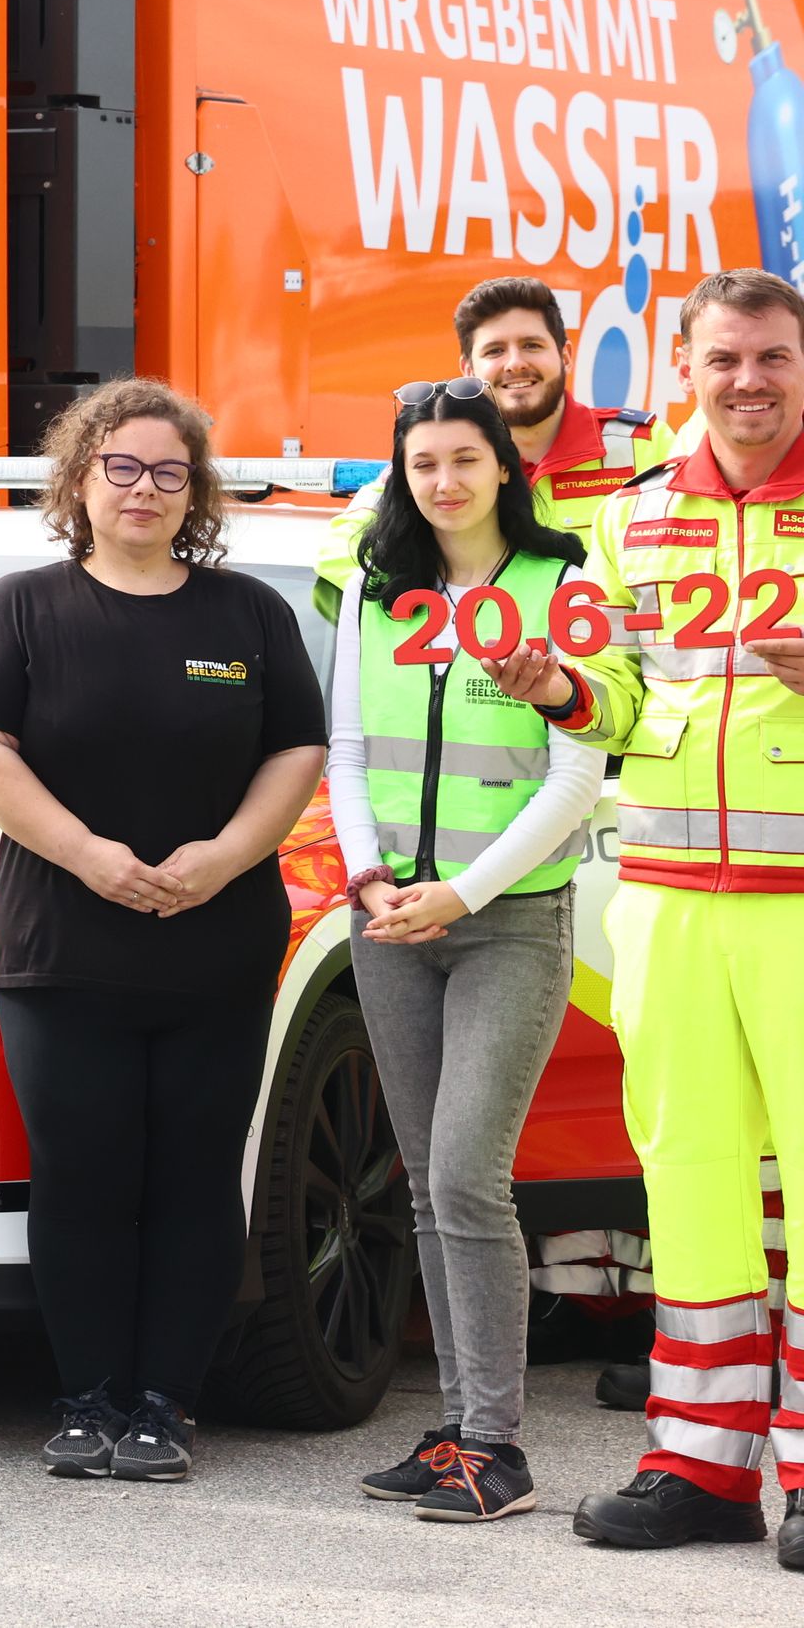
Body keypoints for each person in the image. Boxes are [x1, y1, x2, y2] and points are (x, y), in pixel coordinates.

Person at [0, 377, 325, 1484]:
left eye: (169, 472)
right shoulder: (20, 607)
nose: (144, 489)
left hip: (215, 943)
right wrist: (90, 856)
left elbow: (295, 752)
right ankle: (85, 1397)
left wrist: (223, 857)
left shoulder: (247, 614)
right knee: (83, 1172)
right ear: (80, 479)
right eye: (122, 467)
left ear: (194, 491)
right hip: (64, 945)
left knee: (196, 1176)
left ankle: (164, 1404)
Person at [329, 378, 612, 1525]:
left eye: (463, 459)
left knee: (464, 1175)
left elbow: (578, 772)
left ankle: (496, 1446)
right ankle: (454, 1427)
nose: (441, 482)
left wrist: (462, 890)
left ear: (505, 464)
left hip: (507, 918)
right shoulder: (378, 588)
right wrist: (370, 878)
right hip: (389, 916)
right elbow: (346, 745)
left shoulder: (564, 581)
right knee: (427, 1188)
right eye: (420, 463)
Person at [561, 270, 804, 1563]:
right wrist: (554, 681)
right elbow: (607, 689)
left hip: (802, 908)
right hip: (665, 898)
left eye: (772, 355)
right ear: (686, 366)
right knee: (691, 1187)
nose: (749, 379)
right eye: (725, 358)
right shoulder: (635, 514)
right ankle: (702, 1464)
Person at [321, 277, 668, 608]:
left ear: (565, 355)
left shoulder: (645, 445)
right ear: (468, 369)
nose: (515, 363)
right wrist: (442, 606)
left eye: (531, 345)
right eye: (495, 350)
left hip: (606, 665)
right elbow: (337, 554)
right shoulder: (437, 463)